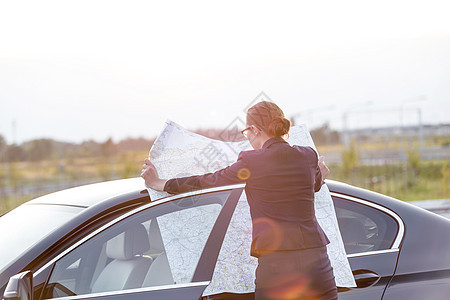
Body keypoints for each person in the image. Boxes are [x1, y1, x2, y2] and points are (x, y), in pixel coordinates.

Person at [141, 101, 337, 300]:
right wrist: (320, 175)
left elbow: (208, 182)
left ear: (254, 129)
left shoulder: (252, 161)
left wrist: (160, 183)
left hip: (277, 266)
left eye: (246, 132)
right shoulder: (307, 155)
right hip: (316, 260)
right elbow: (308, 187)